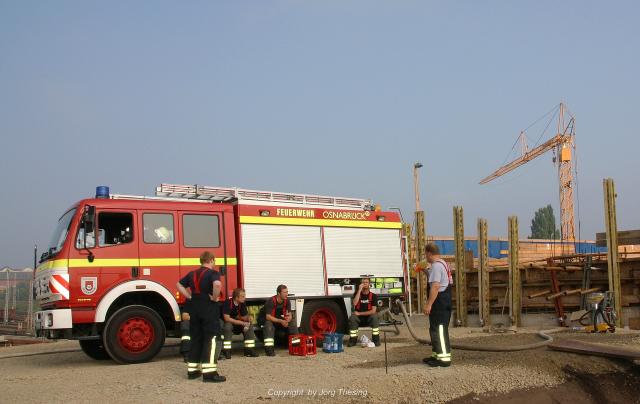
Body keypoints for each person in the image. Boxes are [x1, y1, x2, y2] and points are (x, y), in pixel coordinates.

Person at [176, 251, 226, 382]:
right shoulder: (213, 273)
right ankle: (209, 374)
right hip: (208, 308)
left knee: (196, 338)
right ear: (211, 260)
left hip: (195, 307)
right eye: (214, 261)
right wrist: (215, 298)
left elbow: (179, 285)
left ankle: (193, 371)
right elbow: (217, 285)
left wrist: (189, 297)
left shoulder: (192, 274)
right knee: (212, 338)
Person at [421, 243, 453, 367]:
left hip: (439, 303)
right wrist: (425, 271)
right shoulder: (443, 264)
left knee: (439, 331)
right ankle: (436, 355)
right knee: (435, 329)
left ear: (429, 253)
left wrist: (428, 305)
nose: (425, 257)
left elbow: (435, 286)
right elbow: (437, 280)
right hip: (444, 301)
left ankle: (444, 359)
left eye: (425, 254)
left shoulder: (435, 266)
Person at [222, 288, 258, 358]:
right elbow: (227, 318)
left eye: (244, 296)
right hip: (229, 322)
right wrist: (242, 323)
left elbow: (244, 316)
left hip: (237, 323)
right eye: (242, 296)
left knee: (249, 325)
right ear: (236, 297)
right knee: (227, 327)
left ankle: (249, 350)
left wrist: (248, 318)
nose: (244, 298)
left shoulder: (242, 303)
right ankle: (227, 351)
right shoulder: (228, 302)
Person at [263, 284, 298, 356]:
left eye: (287, 292)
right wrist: (281, 321)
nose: (286, 294)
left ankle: (296, 346)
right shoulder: (271, 301)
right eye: (284, 292)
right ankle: (269, 351)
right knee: (268, 326)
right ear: (278, 293)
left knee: (292, 323)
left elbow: (290, 314)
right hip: (269, 320)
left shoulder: (287, 301)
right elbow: (268, 317)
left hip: (279, 319)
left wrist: (288, 319)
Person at [347, 278, 380, 347]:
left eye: (366, 282)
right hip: (358, 319)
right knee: (352, 318)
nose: (364, 283)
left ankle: (376, 340)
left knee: (375, 317)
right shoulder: (357, 294)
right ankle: (353, 340)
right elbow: (355, 303)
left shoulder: (373, 296)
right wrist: (359, 290)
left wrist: (359, 313)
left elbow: (373, 311)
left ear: (369, 285)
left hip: (369, 318)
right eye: (363, 282)